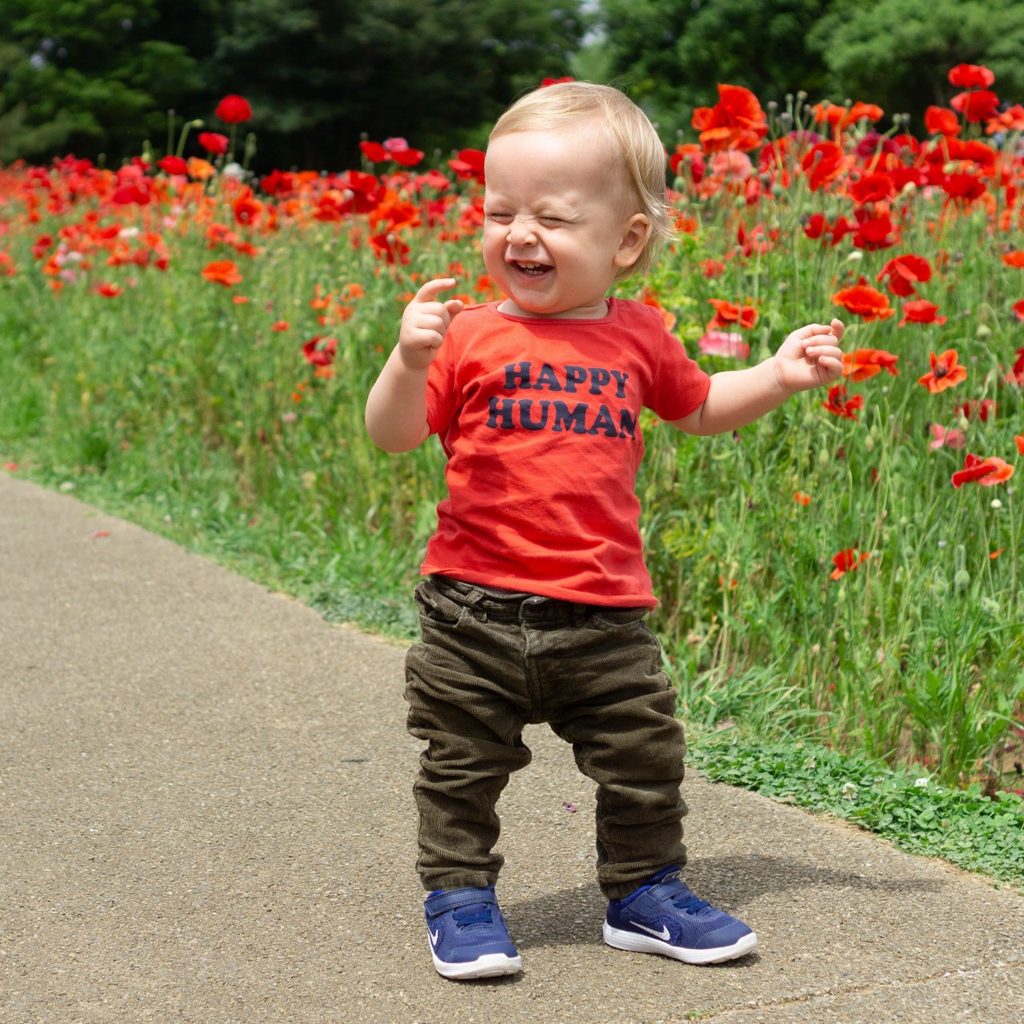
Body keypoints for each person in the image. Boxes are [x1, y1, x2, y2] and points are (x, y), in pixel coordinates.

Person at [365, 81, 844, 981]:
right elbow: (392, 434)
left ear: (627, 241)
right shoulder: (466, 336)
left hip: (603, 613)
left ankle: (643, 891)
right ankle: (460, 896)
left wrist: (776, 374)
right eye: (499, 210)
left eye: (552, 216)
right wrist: (405, 359)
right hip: (472, 612)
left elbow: (700, 406)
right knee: (462, 764)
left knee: (644, 758)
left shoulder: (640, 337)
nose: (518, 234)